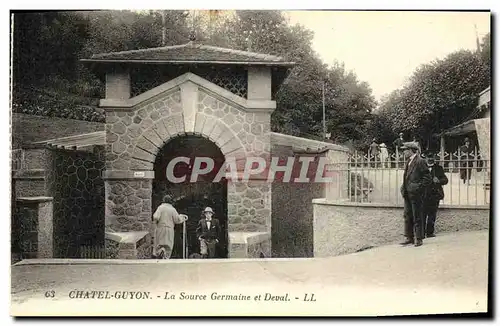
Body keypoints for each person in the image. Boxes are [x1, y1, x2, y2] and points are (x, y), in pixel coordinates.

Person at [400, 142, 432, 247]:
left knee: (417, 216)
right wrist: (403, 187)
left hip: (416, 194)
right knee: (407, 215)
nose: (403, 152)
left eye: (405, 150)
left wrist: (418, 188)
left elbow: (427, 178)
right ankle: (409, 237)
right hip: (408, 193)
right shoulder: (408, 161)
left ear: (411, 150)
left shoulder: (420, 161)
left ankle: (419, 238)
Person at [152, 194, 188, 259]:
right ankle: (166, 256)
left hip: (161, 228)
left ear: (163, 200)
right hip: (169, 229)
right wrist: (182, 217)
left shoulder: (160, 207)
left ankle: (161, 251)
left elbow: (156, 216)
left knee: (160, 243)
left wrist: (156, 222)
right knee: (168, 245)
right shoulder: (172, 209)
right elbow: (177, 220)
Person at [422, 152, 448, 238]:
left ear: (434, 158)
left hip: (434, 195)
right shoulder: (422, 167)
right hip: (423, 195)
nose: (430, 159)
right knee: (422, 214)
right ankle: (421, 233)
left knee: (432, 215)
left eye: (431, 157)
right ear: (425, 158)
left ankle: (430, 233)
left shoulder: (439, 168)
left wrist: (439, 181)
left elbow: (445, 180)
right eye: (428, 157)